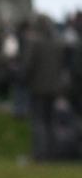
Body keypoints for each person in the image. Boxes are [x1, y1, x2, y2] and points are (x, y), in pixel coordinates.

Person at [20, 15, 69, 161]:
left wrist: (23, 80)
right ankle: (53, 154)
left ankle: (40, 155)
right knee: (51, 122)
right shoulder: (59, 44)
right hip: (55, 88)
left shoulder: (35, 43)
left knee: (39, 122)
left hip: (38, 88)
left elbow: (29, 66)